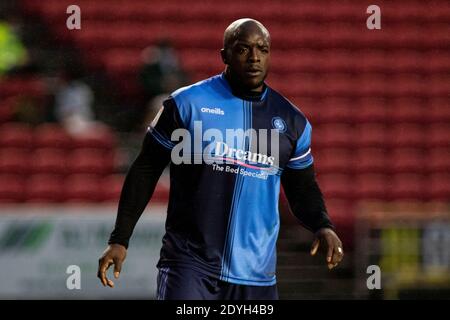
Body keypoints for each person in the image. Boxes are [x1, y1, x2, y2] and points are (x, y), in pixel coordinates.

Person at [98, 18, 344, 300]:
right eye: (243, 49)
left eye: (262, 49)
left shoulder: (292, 121)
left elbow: (302, 187)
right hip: (190, 265)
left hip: (256, 275)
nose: (254, 57)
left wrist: (322, 224)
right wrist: (120, 239)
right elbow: (146, 169)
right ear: (224, 55)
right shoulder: (186, 105)